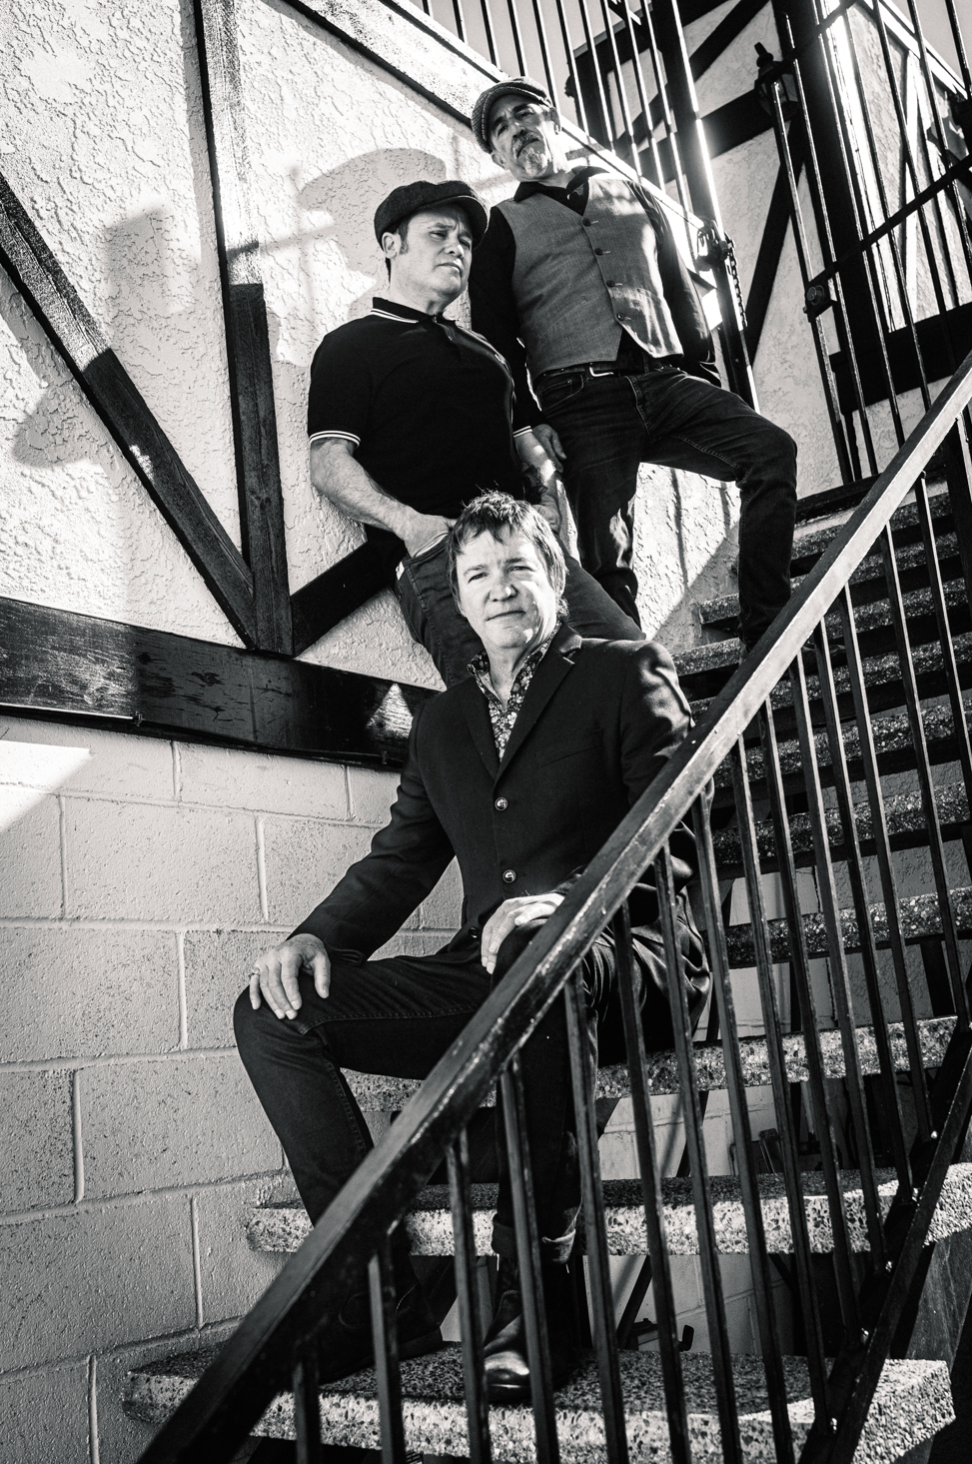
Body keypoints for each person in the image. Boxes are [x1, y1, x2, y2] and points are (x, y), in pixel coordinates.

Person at [235, 492, 709, 1398]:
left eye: (516, 568)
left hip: (626, 955)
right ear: (455, 596)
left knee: (541, 958)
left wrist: (564, 904)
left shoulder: (624, 671)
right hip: (490, 970)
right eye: (477, 574)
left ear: (556, 581)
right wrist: (312, 937)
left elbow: (676, 832)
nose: (497, 589)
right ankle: (371, 1299)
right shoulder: (445, 721)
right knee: (272, 1011)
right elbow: (403, 856)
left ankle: (541, 1294)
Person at [468, 77, 799, 652]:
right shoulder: (499, 225)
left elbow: (679, 291)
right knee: (608, 559)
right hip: (579, 399)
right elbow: (494, 337)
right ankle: (640, 693)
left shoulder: (631, 192)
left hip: (666, 379)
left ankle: (767, 627)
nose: (516, 128)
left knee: (770, 452)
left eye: (525, 114)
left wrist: (703, 374)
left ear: (555, 122)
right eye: (501, 129)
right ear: (498, 154)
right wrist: (525, 422)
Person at [307, 178, 642, 686]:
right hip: (443, 559)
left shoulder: (489, 355)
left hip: (532, 549)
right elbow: (329, 464)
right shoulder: (351, 345)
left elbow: (527, 444)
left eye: (464, 241)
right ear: (391, 245)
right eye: (438, 234)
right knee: (501, 711)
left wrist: (547, 501)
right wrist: (412, 525)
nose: (456, 248)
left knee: (632, 668)